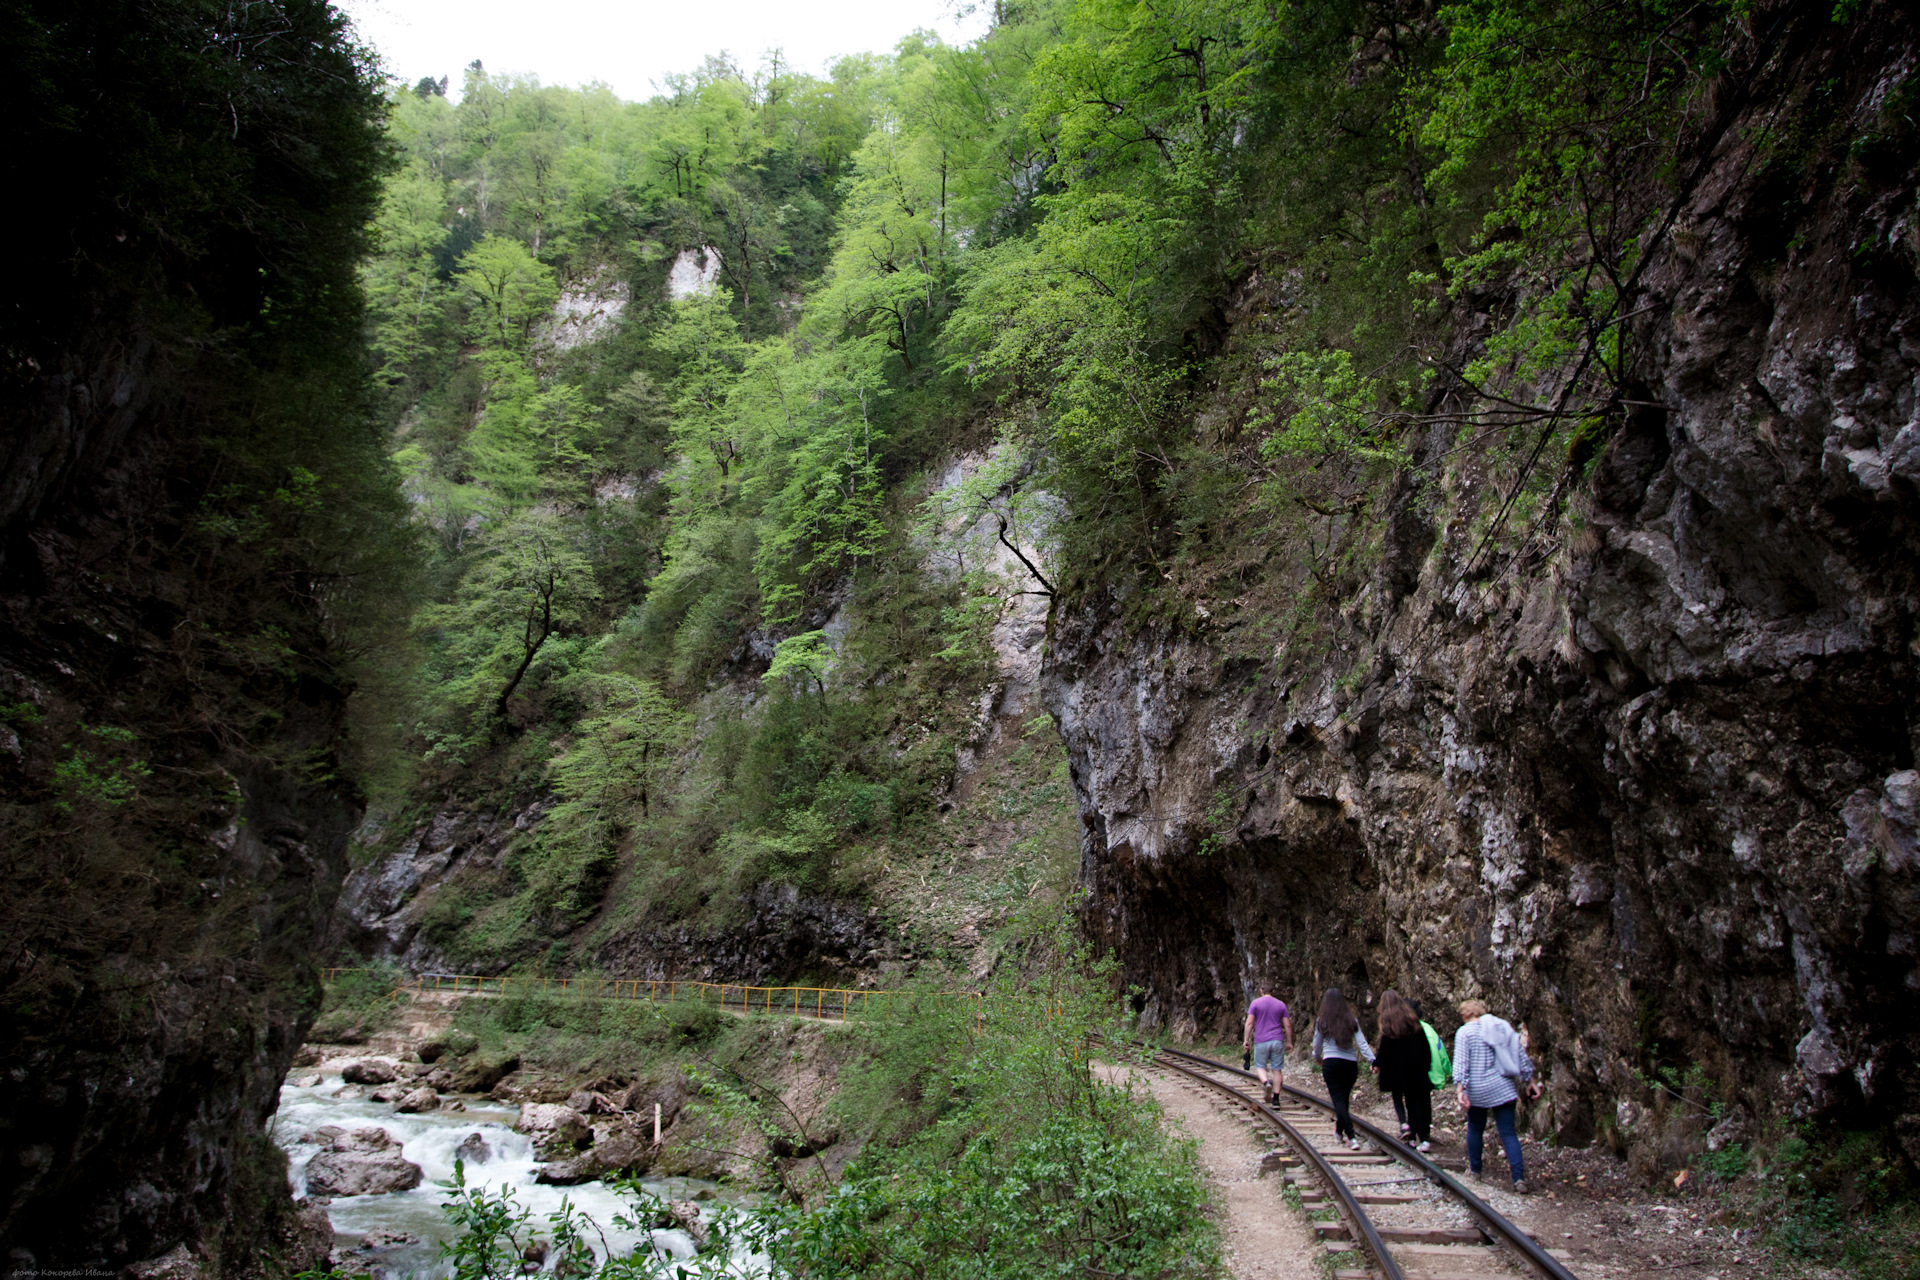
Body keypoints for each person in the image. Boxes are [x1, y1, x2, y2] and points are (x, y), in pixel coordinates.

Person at [1452, 998, 1540, 1194]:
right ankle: (1518, 1178)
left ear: (1466, 1015)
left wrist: (1460, 1089)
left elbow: (1461, 1064)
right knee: (1508, 1133)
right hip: (1503, 1087)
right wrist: (1531, 1081)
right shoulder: (1501, 1027)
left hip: (1478, 1089)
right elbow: (1519, 1054)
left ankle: (1475, 1171)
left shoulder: (1464, 1033)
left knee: (1475, 1128)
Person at [1310, 988, 1375, 1150]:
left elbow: (1316, 1046)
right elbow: (1362, 1044)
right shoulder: (1351, 1020)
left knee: (1339, 1101)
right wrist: (1373, 1060)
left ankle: (1351, 1137)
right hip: (1350, 1065)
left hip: (1331, 1063)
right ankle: (1339, 1131)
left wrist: (1318, 1058)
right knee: (1343, 1099)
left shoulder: (1322, 1021)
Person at [1373, 990, 1433, 1150]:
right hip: (1418, 1068)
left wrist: (1377, 1064)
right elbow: (1425, 1046)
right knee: (1421, 1102)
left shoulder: (1388, 1025)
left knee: (1410, 1103)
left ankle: (1412, 1136)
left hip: (1400, 1072)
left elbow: (1384, 1049)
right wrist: (1427, 1065)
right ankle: (1424, 1137)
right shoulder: (1413, 1021)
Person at [1242, 981, 1293, 1103]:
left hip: (1261, 1040)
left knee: (1260, 1066)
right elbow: (1287, 1025)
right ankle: (1276, 1099)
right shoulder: (1281, 1004)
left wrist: (1246, 1040)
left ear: (1261, 990)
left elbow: (1249, 1023)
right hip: (1277, 1040)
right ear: (1273, 992)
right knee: (1277, 1070)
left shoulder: (1255, 1003)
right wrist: (1289, 1042)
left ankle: (1266, 1083)